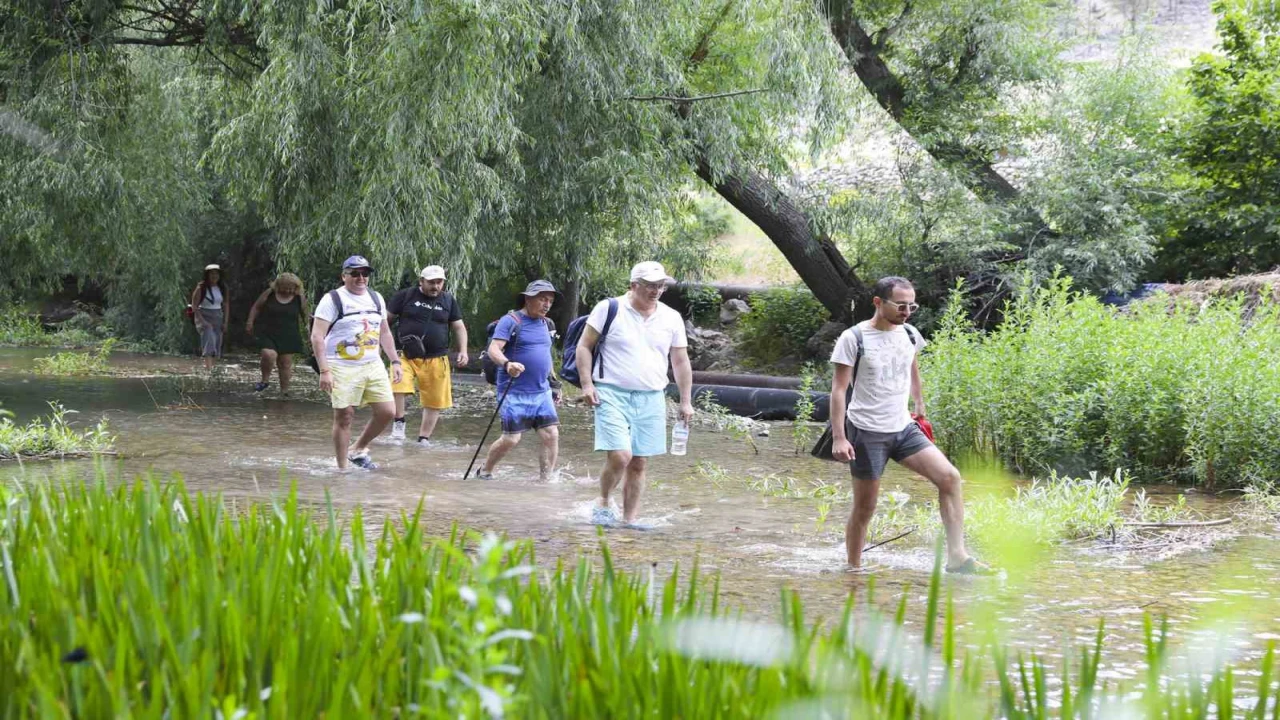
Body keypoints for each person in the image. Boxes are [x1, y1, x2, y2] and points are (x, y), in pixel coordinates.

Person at [828, 276, 989, 574]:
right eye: (900, 305)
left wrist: (920, 406)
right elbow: (839, 390)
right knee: (866, 507)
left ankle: (957, 556)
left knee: (950, 479)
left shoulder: (911, 334)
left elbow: (911, 368)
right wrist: (839, 437)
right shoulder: (854, 338)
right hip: (867, 431)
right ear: (878, 302)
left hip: (903, 428)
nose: (907, 311)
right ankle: (853, 570)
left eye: (911, 305)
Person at [576, 261, 694, 527]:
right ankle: (604, 500)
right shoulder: (609, 309)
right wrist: (587, 385)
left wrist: (686, 402)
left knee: (639, 463)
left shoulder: (671, 317)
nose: (656, 290)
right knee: (620, 455)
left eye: (661, 285)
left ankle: (629, 521)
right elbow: (584, 346)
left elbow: (680, 361)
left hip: (652, 396)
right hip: (610, 392)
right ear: (633, 285)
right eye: (650, 285)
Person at [310, 255, 403, 470]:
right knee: (345, 415)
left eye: (365, 273)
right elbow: (317, 336)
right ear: (344, 276)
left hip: (372, 363)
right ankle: (342, 467)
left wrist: (395, 361)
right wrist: (324, 370)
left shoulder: (376, 297)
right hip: (340, 365)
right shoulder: (332, 299)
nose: (361, 277)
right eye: (355, 273)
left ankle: (357, 448)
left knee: (388, 411)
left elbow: (384, 332)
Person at [476, 280, 563, 481]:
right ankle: (485, 470)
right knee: (511, 439)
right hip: (513, 391)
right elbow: (493, 349)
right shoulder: (511, 321)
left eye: (550, 300)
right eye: (542, 299)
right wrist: (508, 364)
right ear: (528, 298)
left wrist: (555, 383)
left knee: (551, 434)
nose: (547, 304)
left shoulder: (546, 324)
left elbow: (545, 355)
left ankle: (546, 480)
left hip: (541, 392)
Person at [386, 265, 469, 445]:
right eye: (431, 282)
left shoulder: (448, 300)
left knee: (435, 399)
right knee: (398, 386)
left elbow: (458, 327)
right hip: (404, 354)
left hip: (436, 357)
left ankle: (424, 438)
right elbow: (386, 322)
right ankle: (399, 424)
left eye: (439, 282)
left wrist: (463, 350)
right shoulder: (405, 296)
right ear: (421, 281)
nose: (435, 286)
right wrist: (382, 348)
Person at [245, 272, 311, 396]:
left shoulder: (299, 297)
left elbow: (305, 315)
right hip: (268, 331)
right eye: (286, 287)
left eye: (291, 288)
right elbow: (256, 307)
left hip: (289, 333)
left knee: (285, 363)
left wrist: (310, 332)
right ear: (279, 286)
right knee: (268, 354)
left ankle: (284, 392)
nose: (288, 290)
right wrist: (250, 322)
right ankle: (265, 381)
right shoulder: (269, 294)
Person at [190, 264, 229, 371]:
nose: (214, 276)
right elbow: (194, 306)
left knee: (217, 341)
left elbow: (226, 305)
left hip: (218, 316)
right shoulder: (201, 287)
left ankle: (214, 369)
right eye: (212, 274)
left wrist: (225, 322)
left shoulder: (222, 287)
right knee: (209, 339)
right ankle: (208, 369)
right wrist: (203, 321)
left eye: (216, 274)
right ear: (207, 275)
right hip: (204, 315)